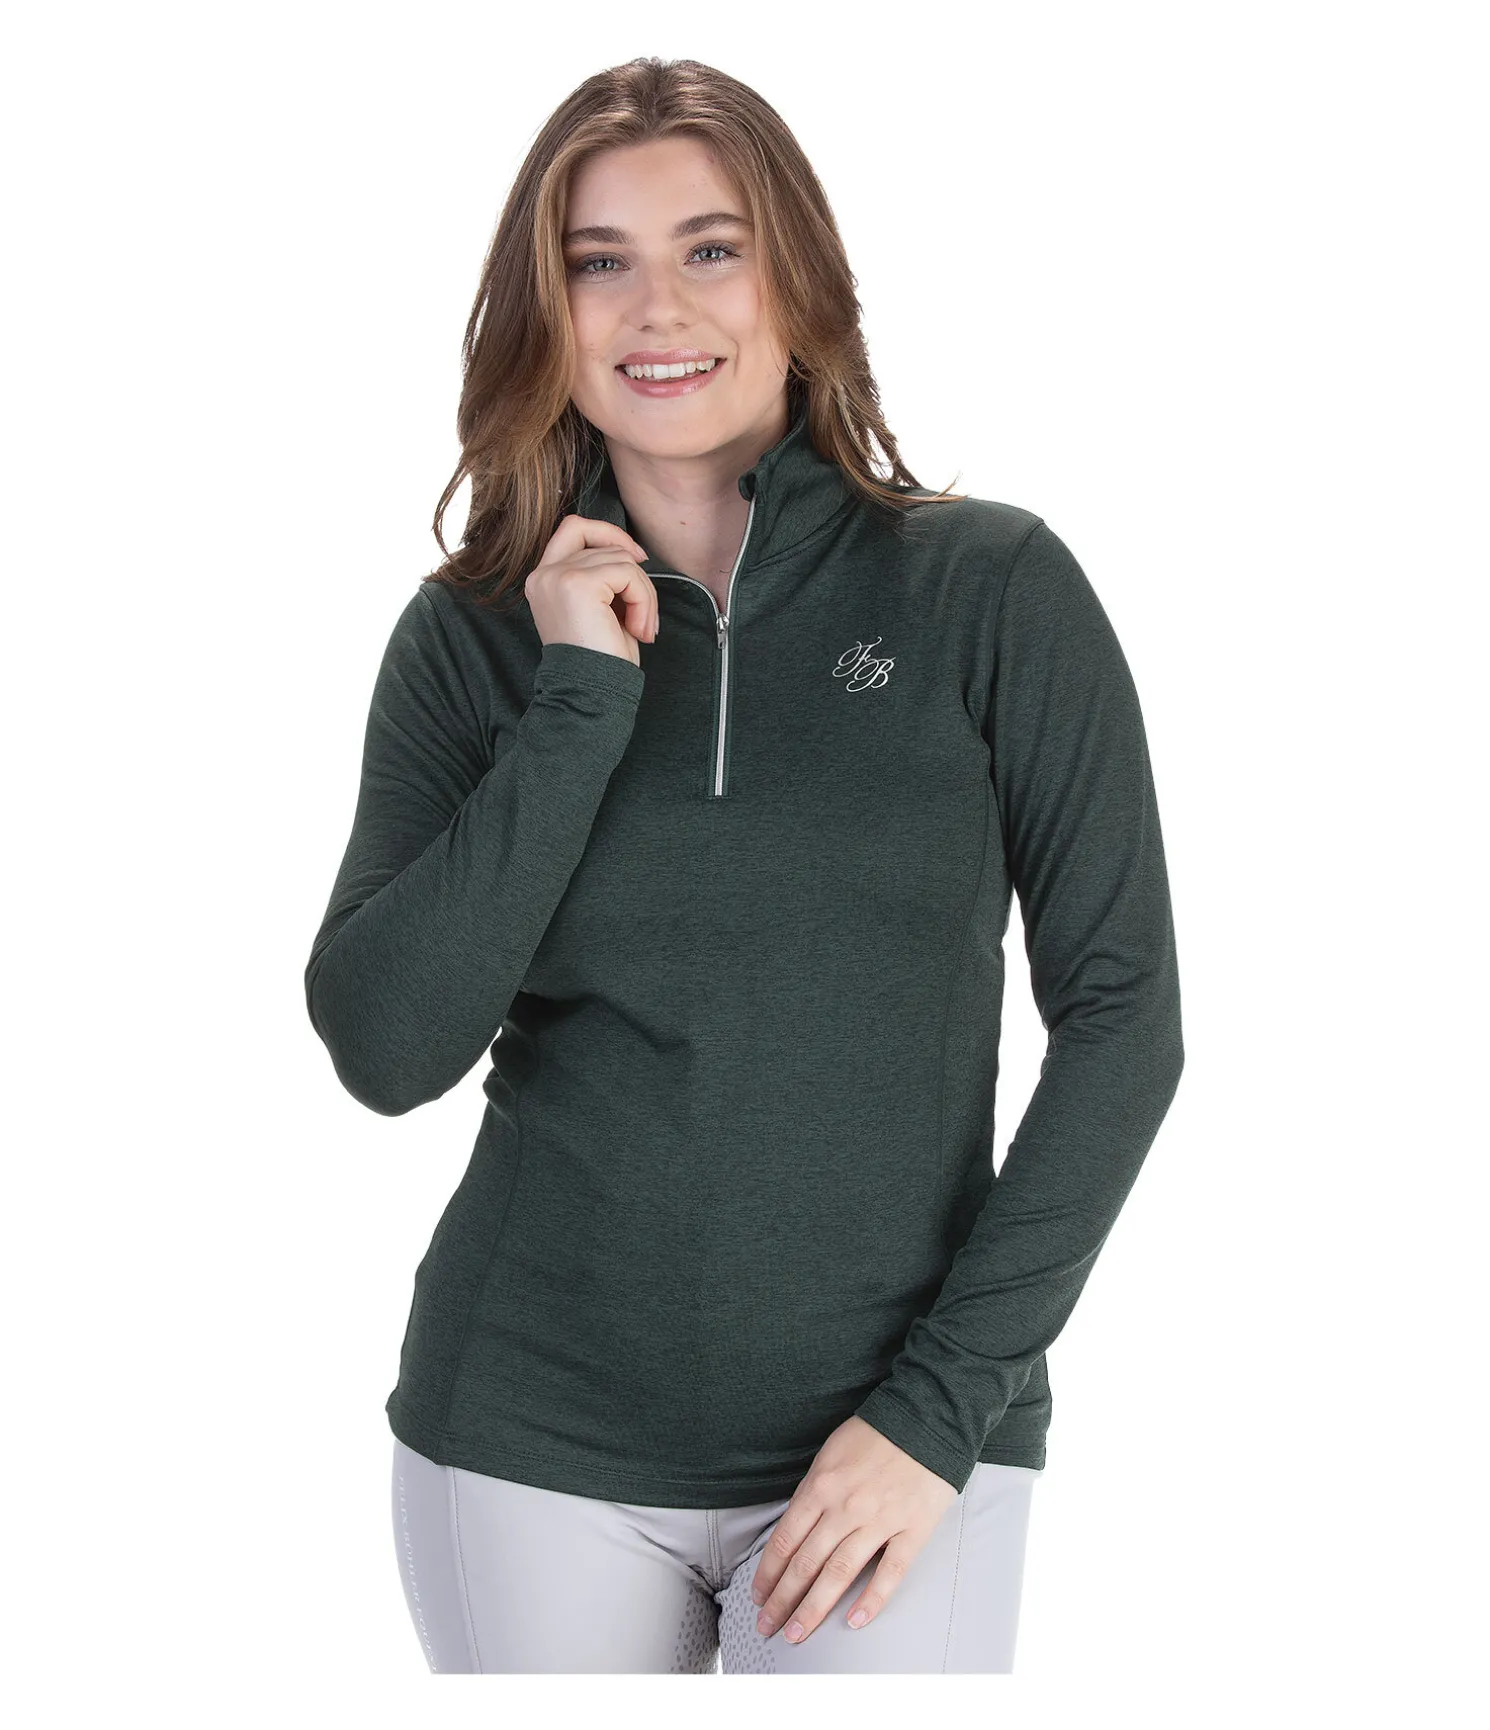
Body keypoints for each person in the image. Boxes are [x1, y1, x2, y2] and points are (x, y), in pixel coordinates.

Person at [304, 56, 1184, 1675]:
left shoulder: (986, 590)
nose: (659, 307)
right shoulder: (471, 635)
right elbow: (383, 1044)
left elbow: (1125, 1021)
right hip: (525, 1436)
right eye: (599, 260)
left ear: (799, 279)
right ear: (546, 309)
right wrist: (577, 696)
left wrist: (934, 1412)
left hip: (892, 1450)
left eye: (711, 248)